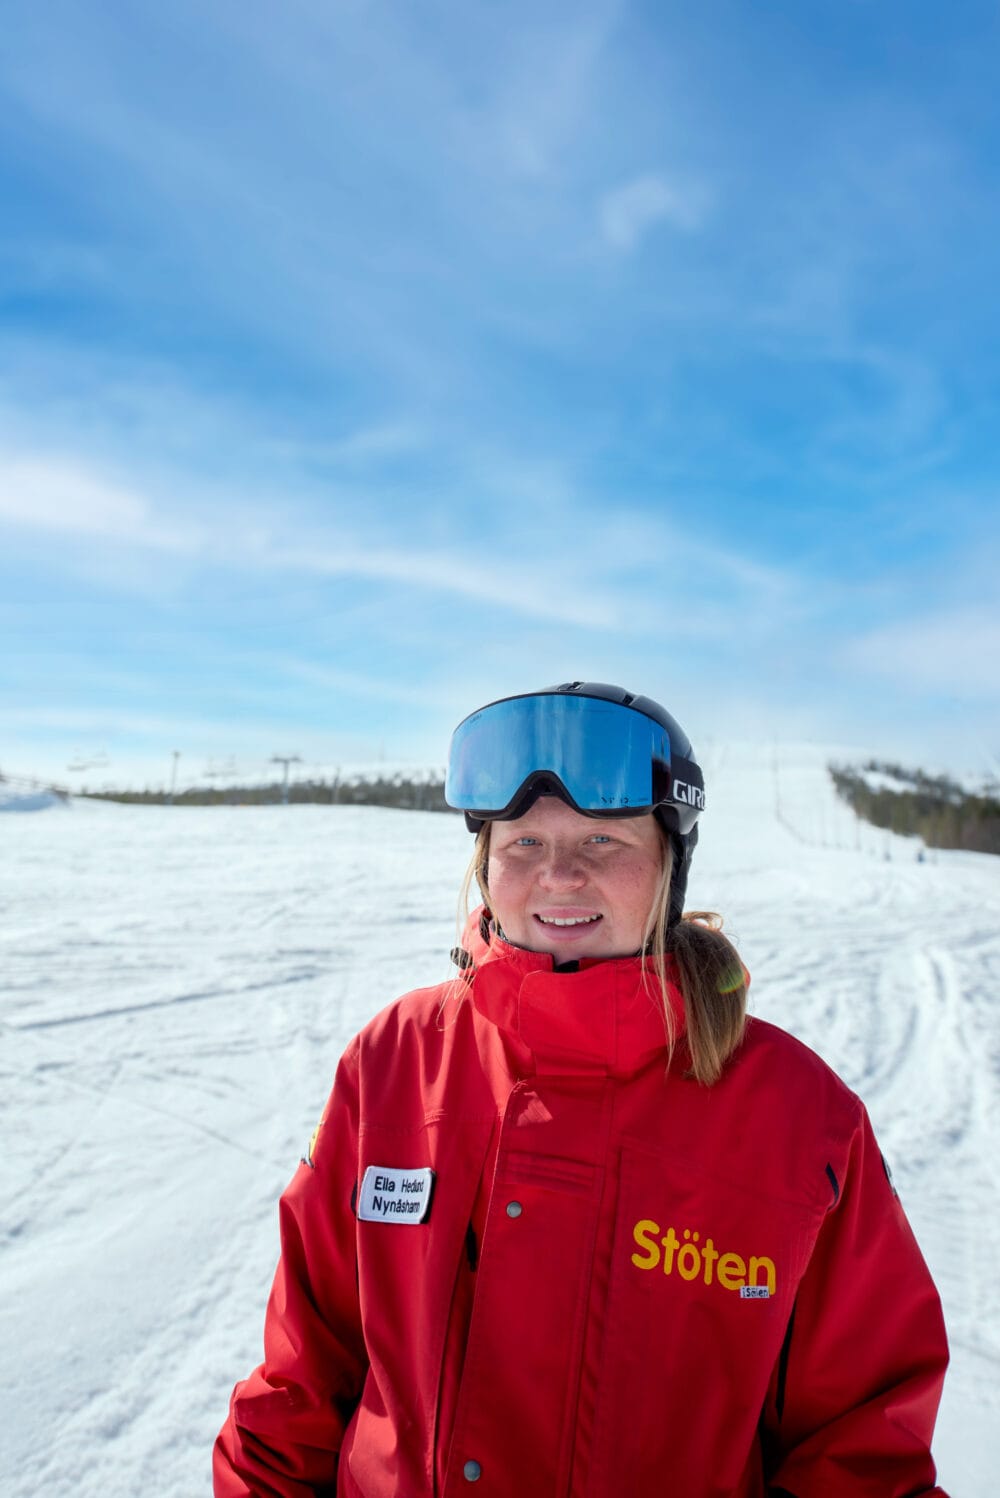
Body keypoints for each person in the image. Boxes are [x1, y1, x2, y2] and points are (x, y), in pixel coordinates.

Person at [214, 681, 950, 1498]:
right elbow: (297, 1390)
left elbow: (864, 1455)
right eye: (524, 842)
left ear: (670, 865)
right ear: (485, 865)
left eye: (603, 840)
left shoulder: (802, 1121)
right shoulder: (393, 1062)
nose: (560, 875)